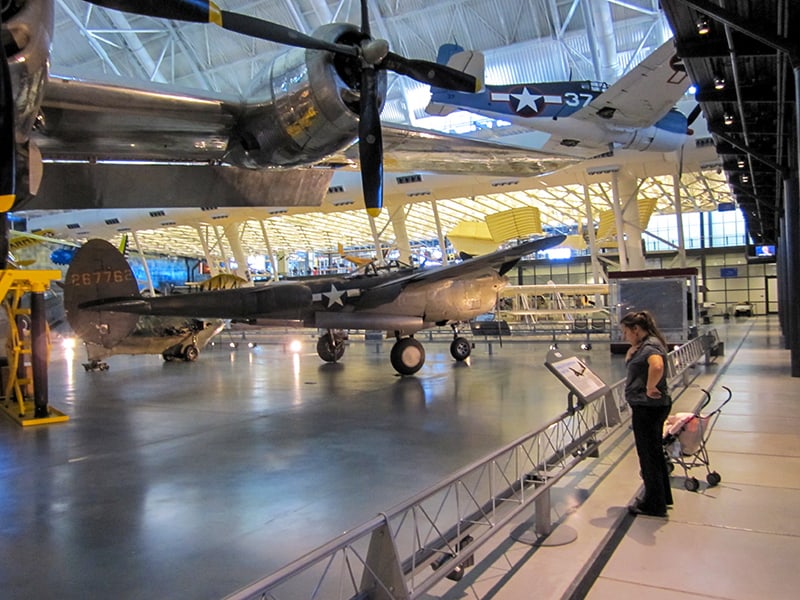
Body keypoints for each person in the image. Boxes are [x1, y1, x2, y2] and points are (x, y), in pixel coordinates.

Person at [620, 310, 673, 517]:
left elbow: (657, 365)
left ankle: (653, 504)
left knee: (648, 456)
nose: (624, 336)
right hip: (653, 406)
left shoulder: (650, 346)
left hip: (648, 408)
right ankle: (662, 496)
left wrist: (651, 387)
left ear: (636, 329)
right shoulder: (646, 344)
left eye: (626, 331)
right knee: (655, 454)